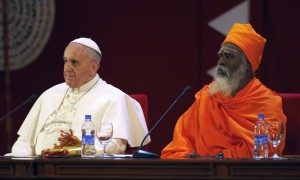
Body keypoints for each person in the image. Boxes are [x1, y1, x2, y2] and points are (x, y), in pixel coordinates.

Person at [6, 37, 150, 156]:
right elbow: (24, 140)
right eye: (65, 61)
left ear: (94, 67)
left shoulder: (114, 98)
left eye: (74, 62)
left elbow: (113, 147)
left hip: (79, 170)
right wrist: (22, 163)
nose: (67, 68)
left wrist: (69, 152)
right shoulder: (49, 94)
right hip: (37, 170)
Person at [161, 23, 287, 159]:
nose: (221, 61)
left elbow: (265, 150)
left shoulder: (266, 103)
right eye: (220, 55)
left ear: (248, 65)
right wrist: (188, 158)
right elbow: (181, 141)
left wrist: (218, 159)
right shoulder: (208, 96)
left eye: (229, 56)